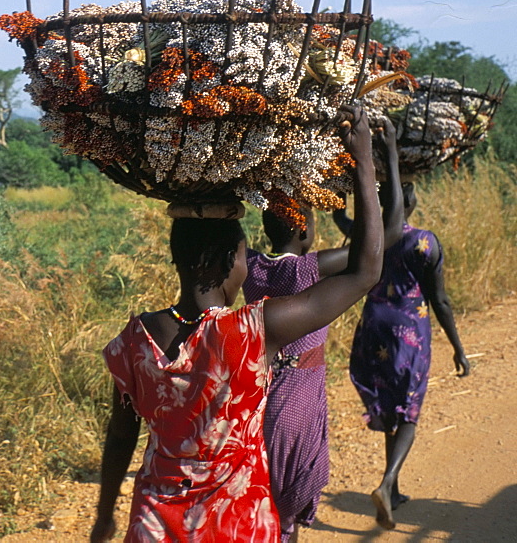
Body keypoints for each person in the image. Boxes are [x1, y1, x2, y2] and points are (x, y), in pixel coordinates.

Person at [90, 107, 384, 543]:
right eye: (245, 256)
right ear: (227, 261)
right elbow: (366, 271)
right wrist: (364, 162)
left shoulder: (134, 339)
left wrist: (103, 518)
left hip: (154, 523)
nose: (247, 267)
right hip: (235, 524)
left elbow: (120, 436)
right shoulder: (252, 331)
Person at [242, 117, 403, 542]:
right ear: (302, 228)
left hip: (260, 391)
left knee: (264, 493)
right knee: (286, 502)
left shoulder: (251, 267)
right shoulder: (307, 271)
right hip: (297, 396)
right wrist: (374, 161)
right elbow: (382, 241)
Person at [337, 178, 470, 530]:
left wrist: (340, 197)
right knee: (409, 409)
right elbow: (439, 299)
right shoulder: (423, 241)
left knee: (389, 401)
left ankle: (392, 490)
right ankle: (385, 483)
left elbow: (341, 221)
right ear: (410, 200)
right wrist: (458, 348)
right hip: (409, 329)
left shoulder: (371, 237)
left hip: (373, 325)